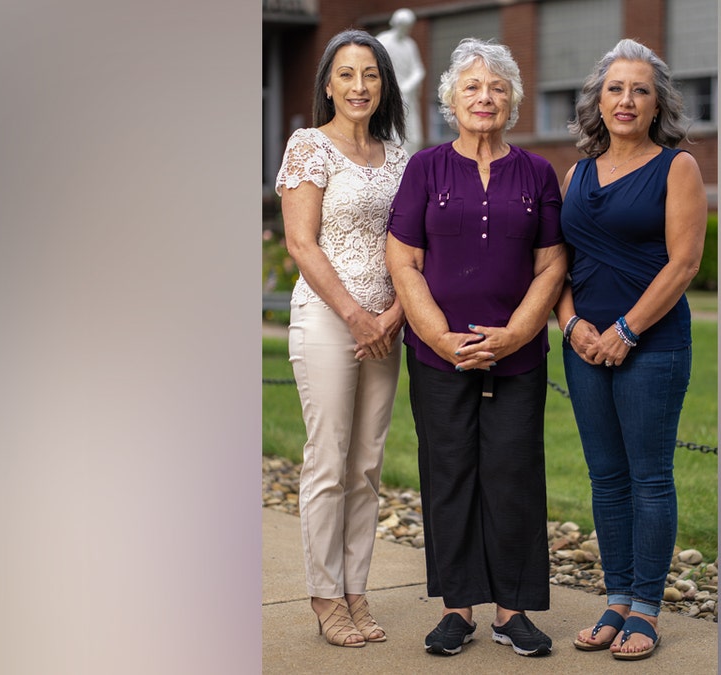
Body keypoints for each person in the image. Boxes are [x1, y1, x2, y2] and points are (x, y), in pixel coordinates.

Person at [384, 37, 567, 658]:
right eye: (472, 87)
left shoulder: (537, 173)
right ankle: (456, 610)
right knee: (449, 473)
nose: (484, 97)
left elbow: (551, 264)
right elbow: (404, 261)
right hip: (438, 355)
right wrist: (439, 336)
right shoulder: (425, 168)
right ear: (450, 100)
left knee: (514, 474)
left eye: (497, 87)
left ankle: (512, 611)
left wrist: (516, 333)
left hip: (519, 356)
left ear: (512, 100)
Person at [555, 38, 708, 661]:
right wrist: (571, 325)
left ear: (657, 105)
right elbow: (559, 265)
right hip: (583, 347)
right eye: (615, 89)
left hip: (652, 345)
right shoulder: (576, 173)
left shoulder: (677, 168)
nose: (626, 100)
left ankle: (646, 608)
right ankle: (616, 598)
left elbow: (684, 263)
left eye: (640, 90)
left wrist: (626, 330)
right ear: (597, 101)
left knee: (649, 477)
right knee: (606, 478)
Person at [274, 29, 408, 648]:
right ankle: (325, 596)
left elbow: (414, 246)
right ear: (328, 84)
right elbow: (301, 244)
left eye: (371, 74)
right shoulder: (309, 146)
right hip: (331, 319)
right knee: (328, 459)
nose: (359, 86)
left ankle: (357, 591)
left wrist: (393, 316)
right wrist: (357, 316)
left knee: (367, 463)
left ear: (384, 85)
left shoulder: (400, 156)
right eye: (347, 74)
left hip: (387, 324)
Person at [376, 9, 425, 155]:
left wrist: (409, 85)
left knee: (413, 135)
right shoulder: (383, 41)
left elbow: (418, 69)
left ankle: (411, 161)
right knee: (391, 131)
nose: (405, 30)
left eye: (408, 27)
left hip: (407, 94)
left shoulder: (410, 44)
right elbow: (375, 66)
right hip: (389, 94)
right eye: (403, 26)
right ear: (395, 23)